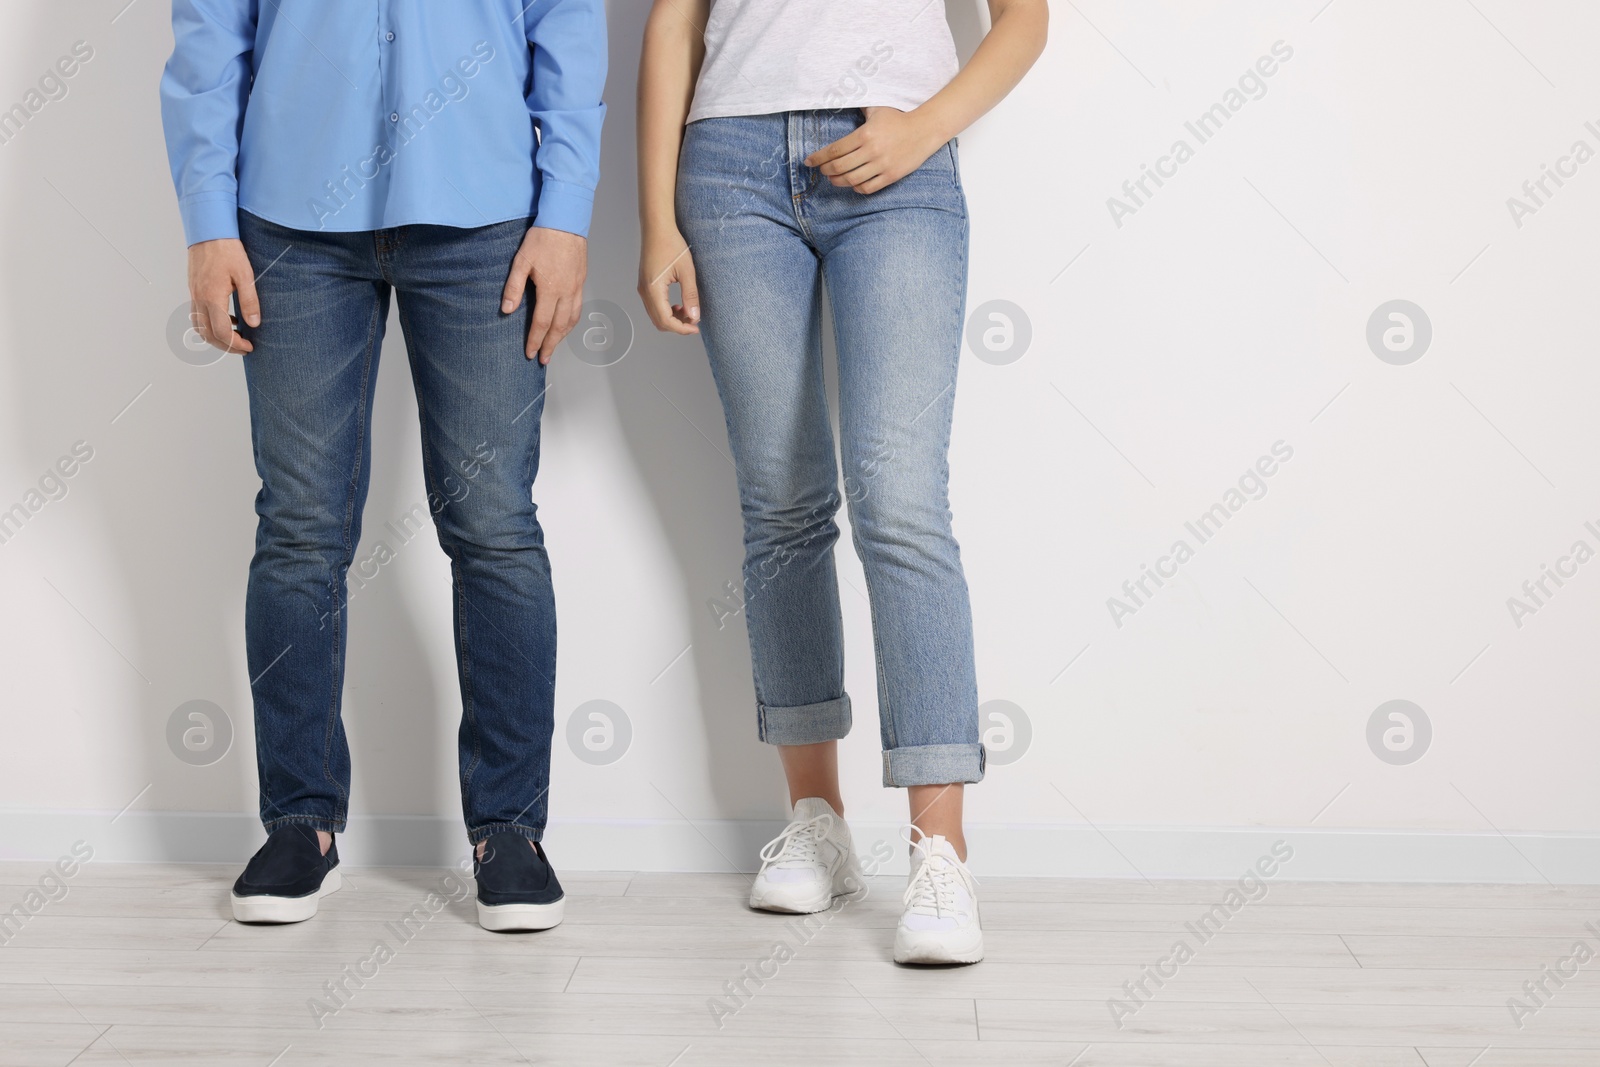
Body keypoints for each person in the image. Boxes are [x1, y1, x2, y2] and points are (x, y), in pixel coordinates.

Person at [159, 0, 606, 930]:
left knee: (493, 524)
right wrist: (207, 221)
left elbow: (567, 23)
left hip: (484, 211)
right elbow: (209, 35)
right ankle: (299, 822)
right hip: (288, 213)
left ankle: (511, 831)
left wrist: (565, 213)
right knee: (298, 527)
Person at [635, 0, 1046, 963]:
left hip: (897, 160)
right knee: (782, 505)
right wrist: (657, 221)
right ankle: (816, 817)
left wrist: (925, 126)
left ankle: (939, 851)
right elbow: (670, 23)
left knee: (901, 503)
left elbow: (1023, 23)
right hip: (729, 166)